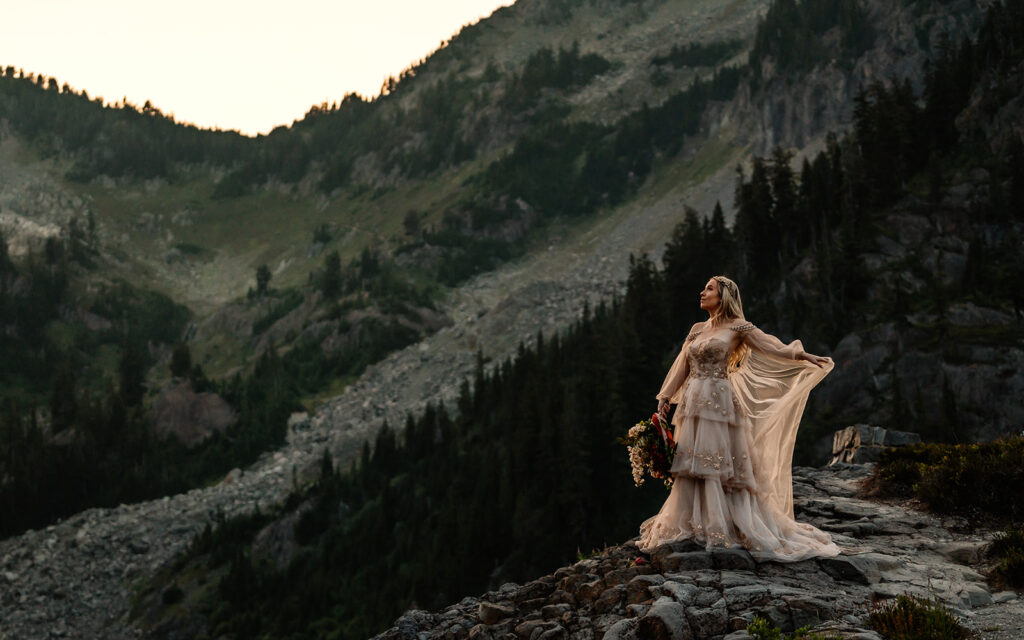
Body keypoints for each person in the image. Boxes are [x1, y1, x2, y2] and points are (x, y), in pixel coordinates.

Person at [637, 275, 841, 562]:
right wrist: (664, 399)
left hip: (719, 402)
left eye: (709, 289)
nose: (702, 292)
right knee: (694, 463)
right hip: (693, 402)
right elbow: (681, 364)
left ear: (724, 296)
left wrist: (801, 354)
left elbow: (770, 345)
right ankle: (698, 522)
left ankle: (724, 525)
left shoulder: (738, 327)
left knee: (719, 465)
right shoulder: (697, 329)